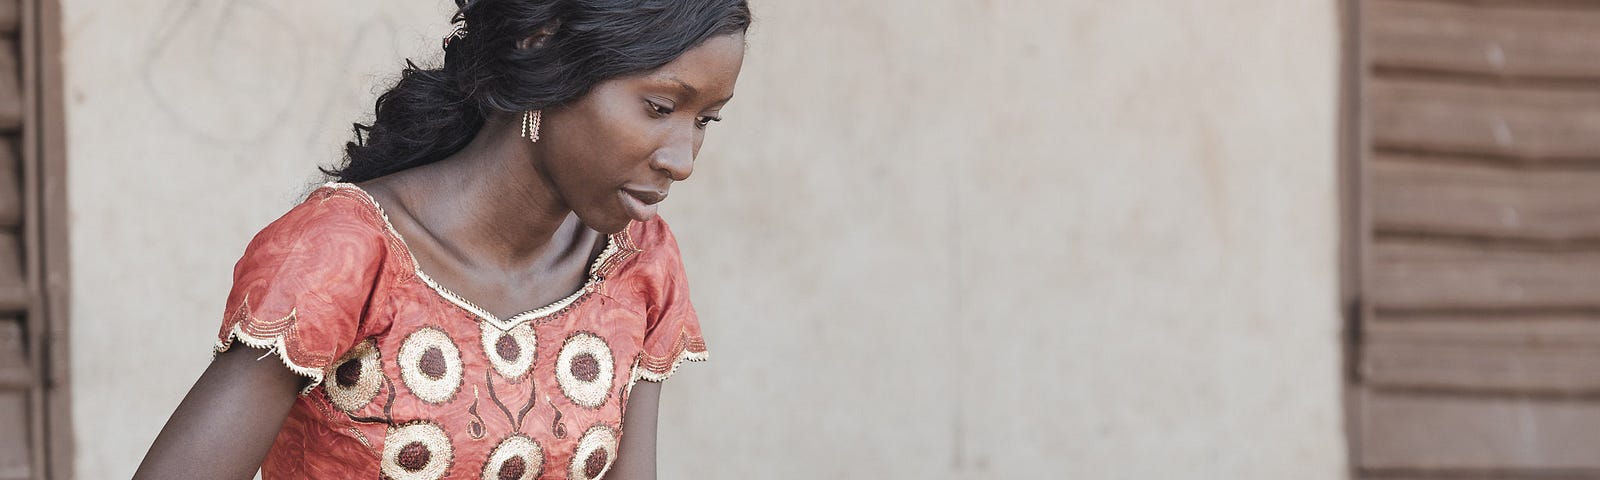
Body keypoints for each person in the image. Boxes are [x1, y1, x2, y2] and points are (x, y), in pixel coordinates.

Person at [134, 1, 750, 478]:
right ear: (546, 55)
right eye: (659, 106)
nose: (683, 158)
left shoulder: (637, 263)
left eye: (706, 120)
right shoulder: (347, 254)